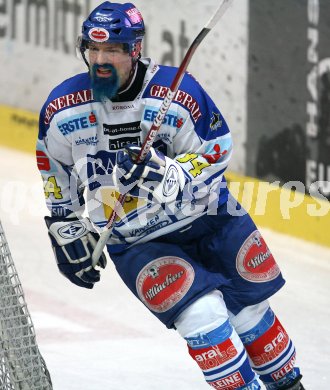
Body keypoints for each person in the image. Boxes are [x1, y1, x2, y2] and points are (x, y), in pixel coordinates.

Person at [36, 2, 305, 389]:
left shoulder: (176, 93)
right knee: (202, 316)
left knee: (248, 313)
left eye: (111, 50)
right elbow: (52, 168)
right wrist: (64, 225)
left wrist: (172, 172)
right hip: (138, 239)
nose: (100, 60)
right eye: (93, 50)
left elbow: (217, 149)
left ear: (134, 50)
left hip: (210, 217)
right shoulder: (62, 110)